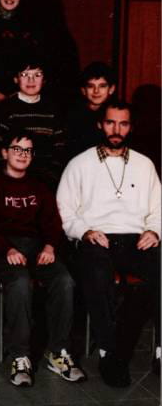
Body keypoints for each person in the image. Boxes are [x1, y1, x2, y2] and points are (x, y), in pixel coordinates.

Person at [57, 101, 161, 387]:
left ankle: (157, 350)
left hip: (135, 239)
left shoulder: (144, 164)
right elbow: (64, 211)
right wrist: (84, 231)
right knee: (98, 275)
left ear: (130, 127)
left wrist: (154, 231)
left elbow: (158, 208)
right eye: (111, 123)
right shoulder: (79, 163)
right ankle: (108, 351)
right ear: (100, 125)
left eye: (123, 124)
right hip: (96, 238)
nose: (117, 130)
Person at [0, 131, 85, 387]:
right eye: (17, 149)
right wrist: (7, 249)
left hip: (36, 248)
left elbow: (53, 223)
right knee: (20, 282)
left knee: (64, 280)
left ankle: (59, 352)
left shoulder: (40, 187)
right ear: (5, 153)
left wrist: (49, 246)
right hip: (1, 249)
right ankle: (20, 356)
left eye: (27, 151)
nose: (22, 155)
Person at [0, 56, 66, 187]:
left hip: (46, 179)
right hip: (12, 178)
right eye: (24, 75)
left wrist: (50, 176)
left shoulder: (53, 109)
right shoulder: (5, 108)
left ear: (44, 79)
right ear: (16, 79)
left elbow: (60, 146)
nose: (31, 80)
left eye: (37, 75)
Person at [65, 62, 116, 158]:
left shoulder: (116, 114)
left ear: (111, 89)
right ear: (83, 90)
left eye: (102, 86)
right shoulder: (73, 116)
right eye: (90, 86)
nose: (96, 91)